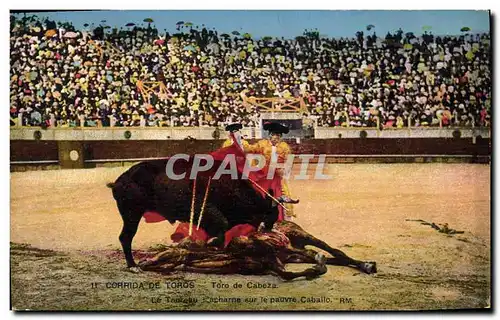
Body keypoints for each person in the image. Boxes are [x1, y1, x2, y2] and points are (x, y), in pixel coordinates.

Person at [246, 122, 299, 220]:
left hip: (277, 176)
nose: (275, 137)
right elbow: (250, 149)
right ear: (269, 135)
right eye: (273, 134)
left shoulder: (284, 147)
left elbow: (287, 163)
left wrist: (283, 170)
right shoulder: (262, 144)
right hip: (264, 176)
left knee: (283, 193)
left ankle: (286, 218)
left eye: (277, 135)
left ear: (280, 137)